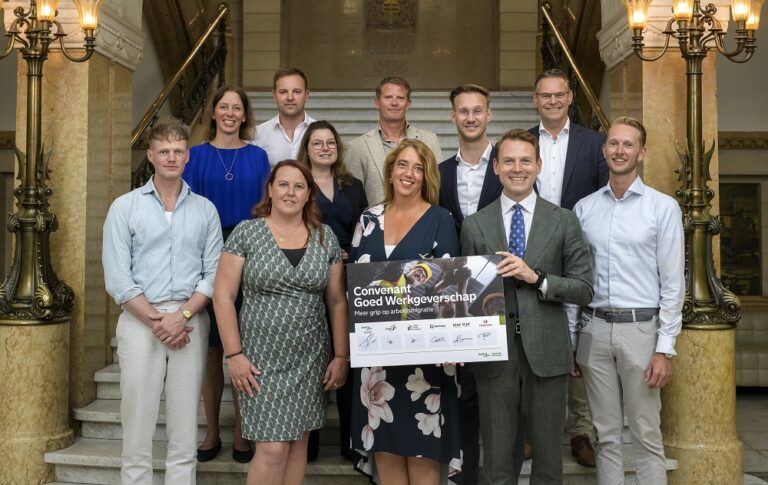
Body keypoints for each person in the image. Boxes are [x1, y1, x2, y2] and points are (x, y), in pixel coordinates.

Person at [460, 129, 593, 484]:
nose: (516, 168)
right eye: (508, 161)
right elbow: (467, 295)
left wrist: (538, 278)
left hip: (548, 352)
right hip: (493, 355)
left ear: (538, 165)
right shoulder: (475, 224)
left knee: (549, 462)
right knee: (497, 464)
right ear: (495, 167)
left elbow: (584, 288)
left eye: (524, 161)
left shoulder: (563, 220)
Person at [213, 160, 350, 485]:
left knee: (297, 443)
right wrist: (234, 355)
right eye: (284, 184)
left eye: (298, 186)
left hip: (309, 359)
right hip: (258, 362)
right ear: (271, 190)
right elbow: (222, 297)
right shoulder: (247, 233)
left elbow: (336, 301)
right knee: (273, 449)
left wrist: (341, 356)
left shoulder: (324, 237)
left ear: (308, 195)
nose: (290, 192)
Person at [102, 117, 223, 484]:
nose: (172, 157)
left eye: (179, 151)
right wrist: (158, 320)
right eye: (164, 151)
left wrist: (182, 314)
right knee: (137, 424)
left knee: (186, 426)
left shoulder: (205, 210)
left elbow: (213, 273)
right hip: (141, 323)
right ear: (151, 155)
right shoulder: (125, 207)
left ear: (188, 157)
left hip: (190, 322)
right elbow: (118, 277)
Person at [572, 117, 684, 485]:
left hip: (642, 331)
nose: (620, 151)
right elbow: (577, 280)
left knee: (646, 433)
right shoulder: (585, 209)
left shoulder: (662, 208)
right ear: (604, 151)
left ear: (641, 152)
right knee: (605, 435)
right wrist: (573, 340)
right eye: (613, 144)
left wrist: (664, 349)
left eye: (628, 144)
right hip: (594, 330)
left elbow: (672, 284)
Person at [349, 139, 462, 485]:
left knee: (422, 458)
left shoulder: (441, 219)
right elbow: (353, 285)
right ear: (391, 170)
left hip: (425, 364)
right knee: (389, 462)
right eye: (402, 165)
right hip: (376, 364)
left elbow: (450, 290)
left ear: (427, 175)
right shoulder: (368, 219)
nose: (408, 173)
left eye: (417, 167)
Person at [182, 85, 270, 463]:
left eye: (237, 108)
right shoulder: (195, 157)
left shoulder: (259, 156)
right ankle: (212, 431)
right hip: (207, 251)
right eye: (224, 107)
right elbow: (186, 209)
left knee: (243, 346)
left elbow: (267, 209)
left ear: (245, 115)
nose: (231, 113)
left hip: (250, 251)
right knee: (212, 347)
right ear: (214, 113)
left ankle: (241, 433)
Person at [528, 68, 609, 467]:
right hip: (533, 250)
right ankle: (533, 431)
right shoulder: (522, 142)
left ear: (571, 98)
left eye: (559, 95)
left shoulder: (594, 144)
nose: (552, 102)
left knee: (579, 335)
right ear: (535, 100)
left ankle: (580, 430)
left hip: (577, 248)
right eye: (545, 96)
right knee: (536, 334)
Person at [438, 83, 503, 483]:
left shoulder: (509, 164)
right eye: (463, 111)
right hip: (455, 297)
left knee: (496, 395)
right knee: (461, 391)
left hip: (501, 293)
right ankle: (463, 472)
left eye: (478, 110)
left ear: (489, 114)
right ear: (453, 118)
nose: (471, 117)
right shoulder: (441, 172)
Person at [297, 120, 368, 461]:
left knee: (348, 360)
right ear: (306, 149)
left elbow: (366, 228)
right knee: (313, 358)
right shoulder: (298, 185)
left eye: (330, 143)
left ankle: (350, 444)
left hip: (349, 278)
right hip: (310, 280)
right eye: (317, 143)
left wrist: (349, 254)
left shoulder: (352, 186)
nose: (325, 147)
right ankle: (307, 444)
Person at [346, 76, 443, 204]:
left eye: (400, 98)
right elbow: (353, 198)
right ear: (377, 102)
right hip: (377, 222)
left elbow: (438, 188)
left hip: (422, 221)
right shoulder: (357, 147)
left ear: (408, 104)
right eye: (388, 97)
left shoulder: (429, 140)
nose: (394, 103)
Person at [254, 67, 315, 167]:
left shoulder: (320, 132)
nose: (290, 98)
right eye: (283, 92)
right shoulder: (258, 135)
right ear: (274, 96)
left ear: (306, 95)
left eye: (296, 91)